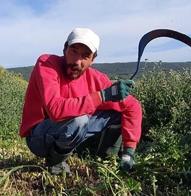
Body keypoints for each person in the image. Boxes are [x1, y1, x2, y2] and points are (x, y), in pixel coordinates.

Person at [19, 27, 142, 175]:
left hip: (71, 132)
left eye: (85, 56)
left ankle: (107, 159)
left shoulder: (96, 78)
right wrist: (103, 96)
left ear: (93, 59)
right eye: (74, 51)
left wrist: (129, 151)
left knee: (116, 113)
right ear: (65, 49)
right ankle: (55, 162)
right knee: (79, 120)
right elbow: (56, 110)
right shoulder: (47, 64)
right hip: (39, 137)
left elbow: (132, 106)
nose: (77, 61)